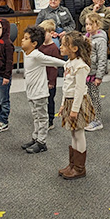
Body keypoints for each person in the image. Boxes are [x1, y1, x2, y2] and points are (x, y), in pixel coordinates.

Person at [20, 25, 66, 154]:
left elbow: (52, 60)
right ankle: (35, 138)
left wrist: (67, 64)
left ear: (34, 43)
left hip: (39, 93)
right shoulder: (26, 52)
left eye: (26, 38)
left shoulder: (36, 55)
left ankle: (42, 142)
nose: (22, 40)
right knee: (35, 117)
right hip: (31, 92)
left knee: (42, 118)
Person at [57, 31, 96, 180]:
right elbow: (66, 87)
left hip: (77, 103)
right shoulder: (69, 63)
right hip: (69, 101)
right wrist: (62, 105)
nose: (61, 47)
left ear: (74, 48)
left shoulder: (80, 66)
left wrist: (74, 109)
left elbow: (79, 90)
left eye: (64, 45)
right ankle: (72, 164)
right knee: (73, 133)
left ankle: (80, 168)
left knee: (79, 133)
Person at [84, 13, 108, 132]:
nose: (88, 27)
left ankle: (98, 120)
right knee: (88, 96)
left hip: (94, 74)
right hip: (86, 72)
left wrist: (99, 76)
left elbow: (102, 59)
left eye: (90, 24)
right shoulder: (86, 37)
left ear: (97, 25)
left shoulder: (100, 40)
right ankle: (90, 116)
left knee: (95, 97)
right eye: (86, 24)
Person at [38, 19, 62, 130]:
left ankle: (50, 120)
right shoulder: (40, 47)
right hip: (40, 78)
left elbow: (54, 67)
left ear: (52, 33)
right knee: (41, 100)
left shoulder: (54, 49)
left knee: (49, 100)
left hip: (49, 80)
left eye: (45, 33)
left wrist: (51, 81)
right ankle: (42, 118)